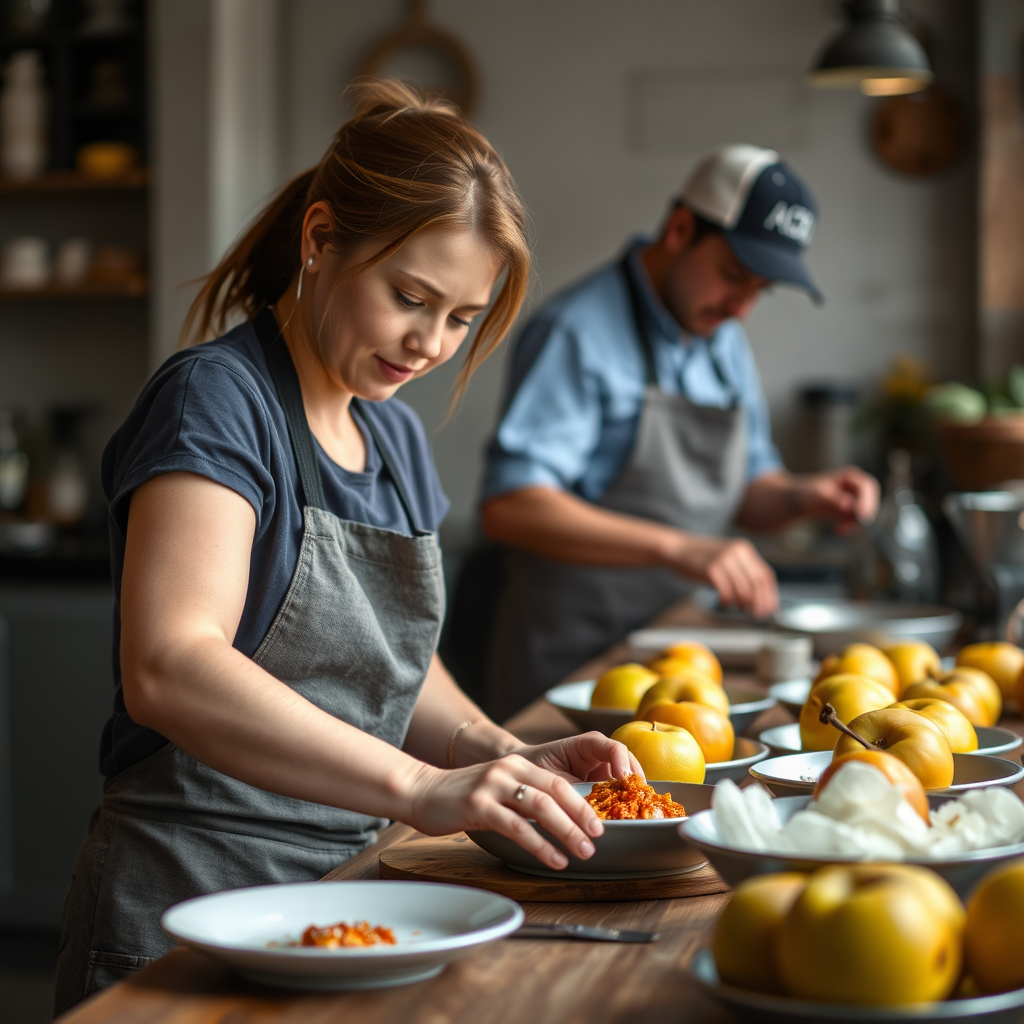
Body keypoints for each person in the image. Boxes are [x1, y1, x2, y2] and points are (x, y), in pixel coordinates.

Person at [54, 80, 639, 1014]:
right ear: (320, 239)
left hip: (354, 897)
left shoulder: (393, 435)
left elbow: (393, 666)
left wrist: (502, 753)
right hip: (192, 902)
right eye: (410, 297)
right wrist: (420, 787)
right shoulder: (216, 401)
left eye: (461, 318)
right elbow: (171, 664)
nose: (430, 343)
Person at [474, 145, 879, 720]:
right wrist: (680, 547)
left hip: (681, 663)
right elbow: (511, 507)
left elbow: (746, 488)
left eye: (760, 290)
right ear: (681, 229)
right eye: (733, 275)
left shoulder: (723, 339)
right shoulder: (577, 332)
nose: (742, 308)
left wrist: (802, 496)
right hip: (574, 673)